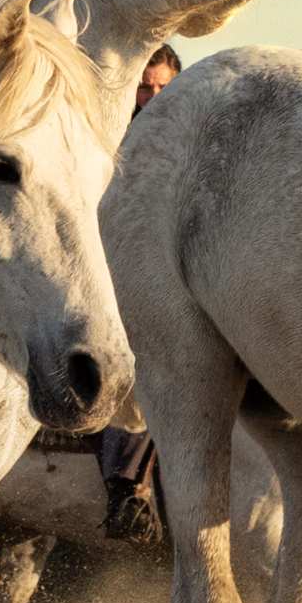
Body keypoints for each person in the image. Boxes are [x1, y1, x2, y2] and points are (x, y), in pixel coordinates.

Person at [94, 44, 180, 541]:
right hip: (116, 268)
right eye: (144, 87)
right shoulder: (109, 138)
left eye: (163, 88)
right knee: (145, 362)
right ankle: (125, 487)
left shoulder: (186, 136)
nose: (152, 96)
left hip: (169, 265)